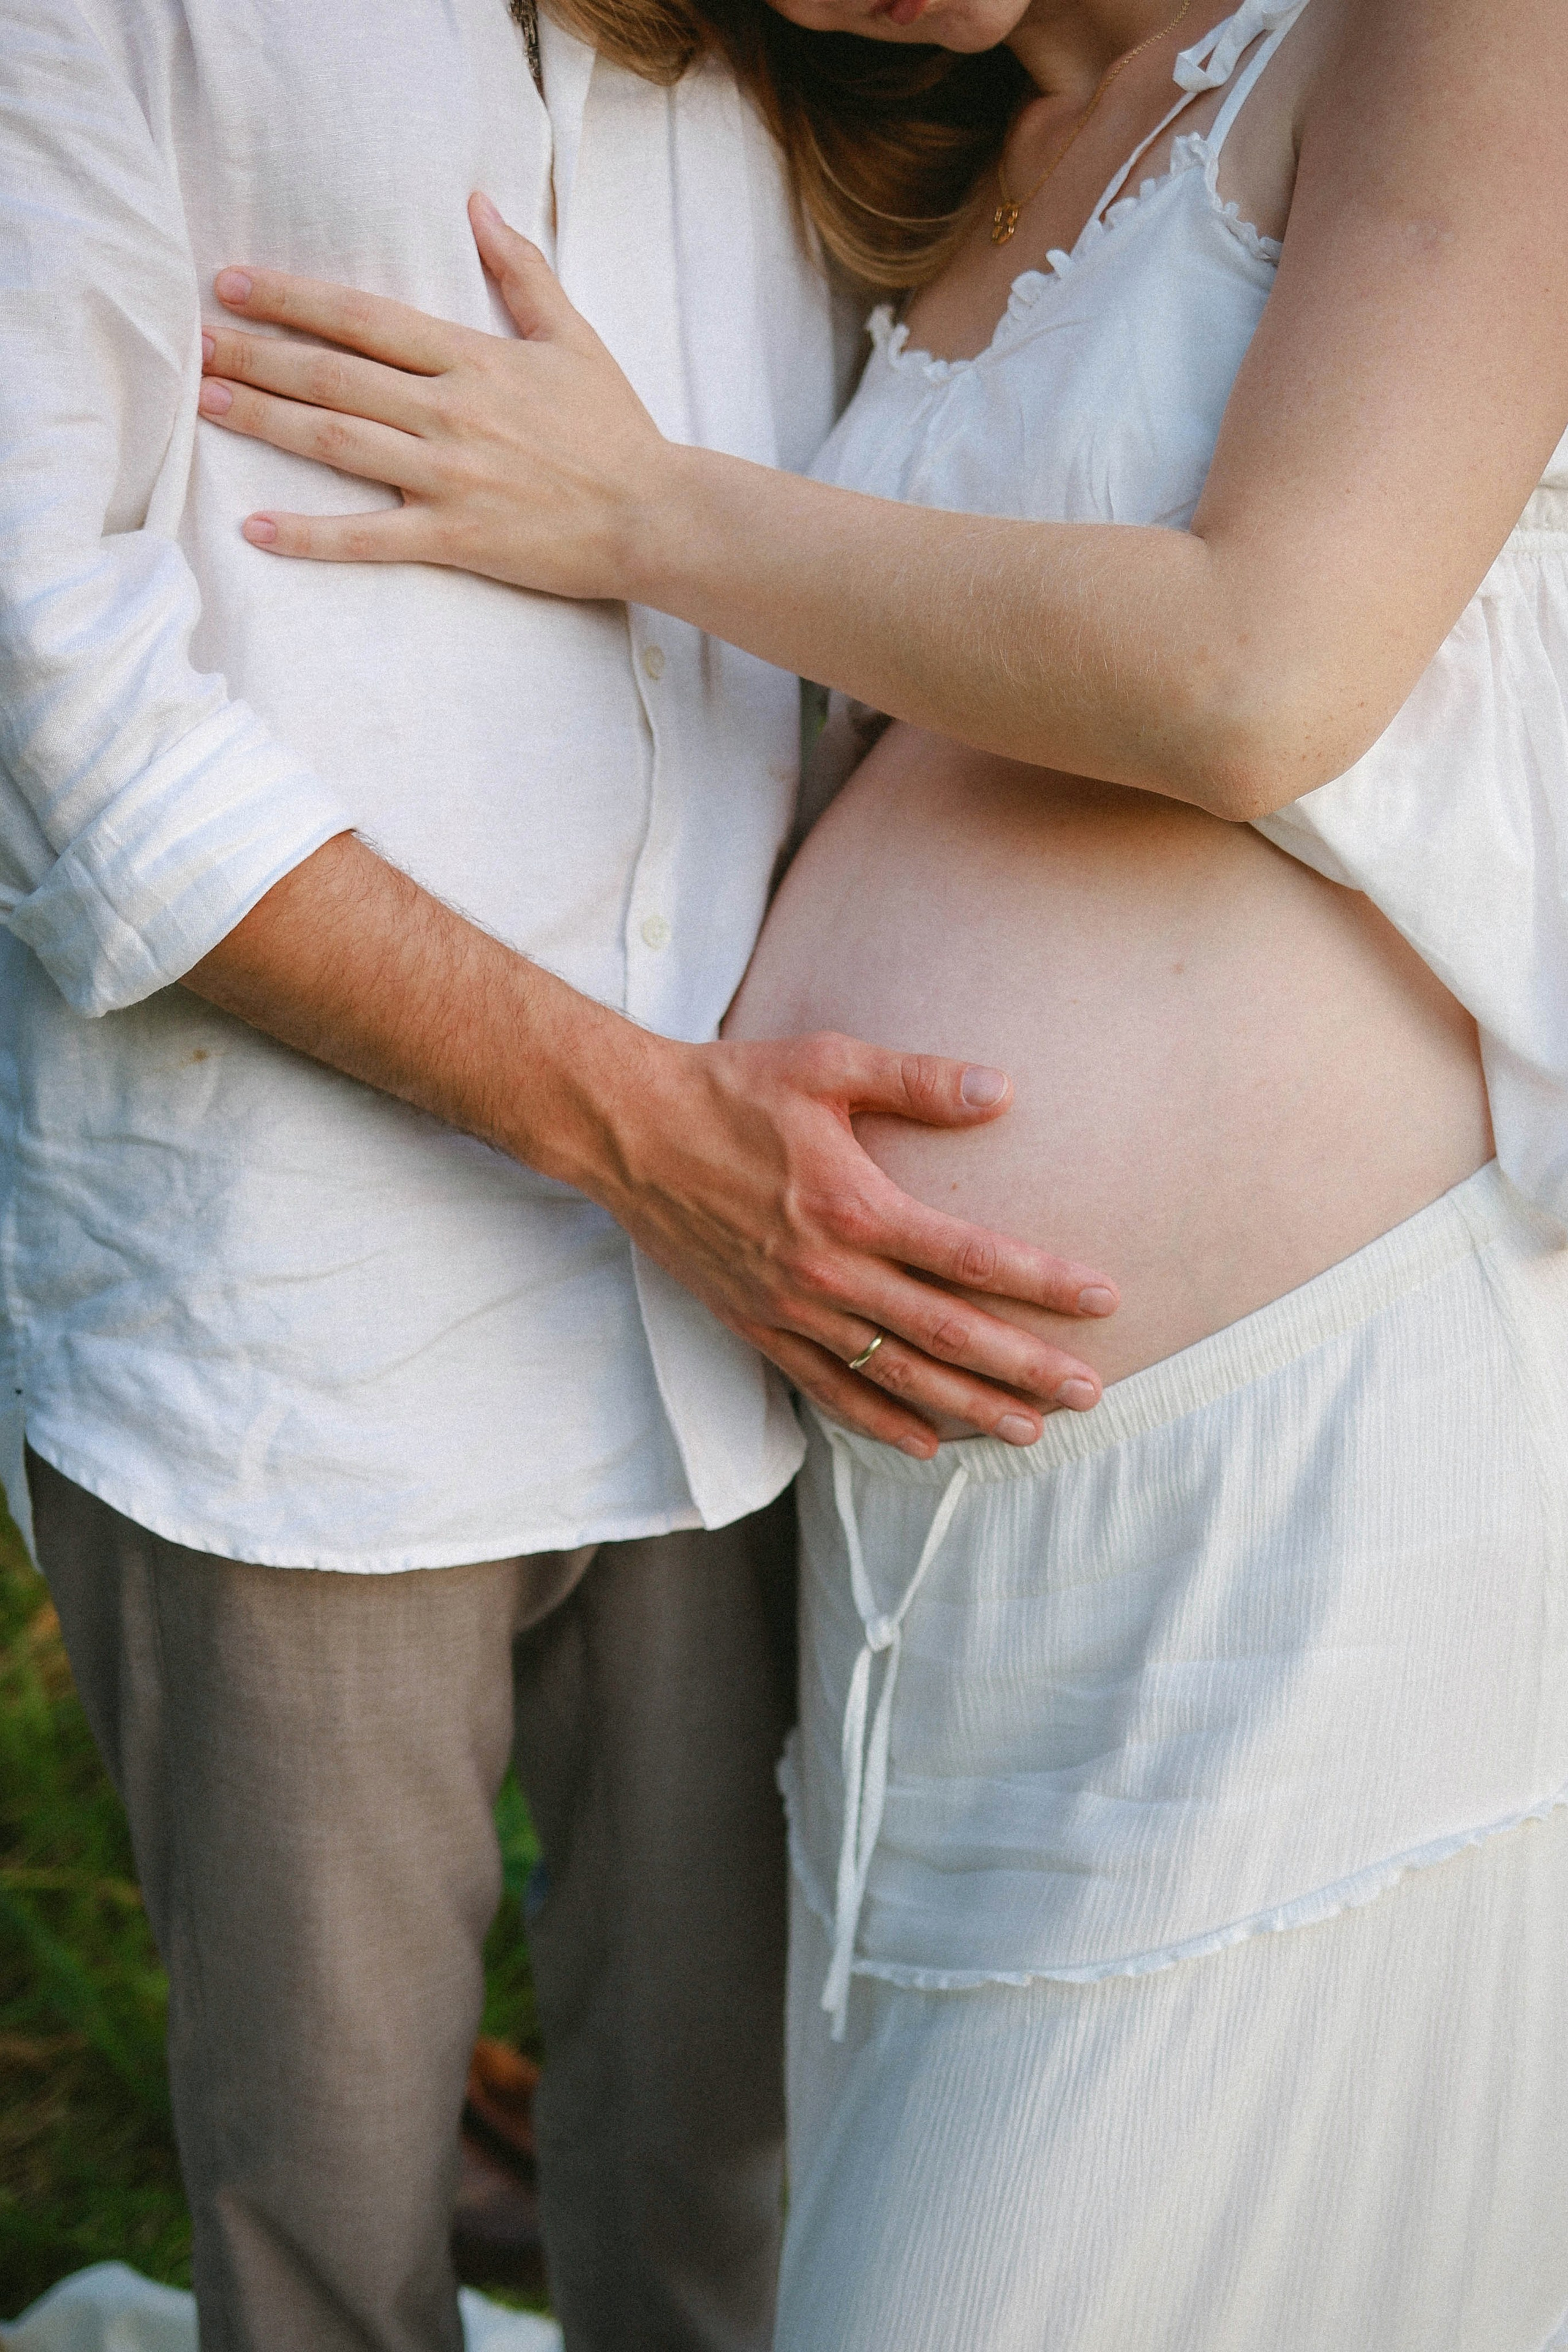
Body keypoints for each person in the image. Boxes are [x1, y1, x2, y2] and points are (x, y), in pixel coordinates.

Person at [190, 0, 1568, 2342]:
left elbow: (1269, 669)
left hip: (1307, 1494)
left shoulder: (1448, 31)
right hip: (933, 1546)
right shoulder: (937, 156)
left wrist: (634, 510)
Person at [0, 6, 1127, 2351]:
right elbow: (53, 702)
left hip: (772, 1328)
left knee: (733, 2180)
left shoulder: (831, 59)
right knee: (328, 2220)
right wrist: (640, 1130)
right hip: (297, 1329)